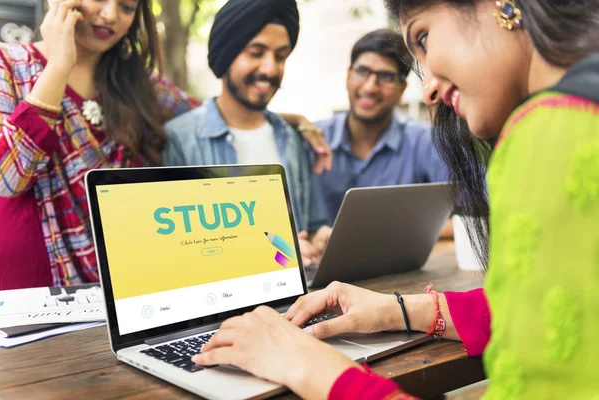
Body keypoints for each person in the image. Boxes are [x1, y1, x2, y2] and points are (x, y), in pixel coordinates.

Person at [190, 0, 599, 399]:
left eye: (423, 36)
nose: (430, 91)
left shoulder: (551, 132)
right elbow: (540, 312)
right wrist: (400, 310)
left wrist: (307, 365)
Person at [0, 0, 203, 290]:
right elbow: (7, 177)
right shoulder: (7, 65)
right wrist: (59, 66)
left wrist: (288, 121)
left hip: (123, 290)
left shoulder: (140, 85)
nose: (111, 15)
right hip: (27, 295)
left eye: (127, 7)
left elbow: (211, 119)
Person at [163, 0, 328, 263]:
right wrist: (280, 254)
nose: (270, 68)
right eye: (256, 52)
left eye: (281, 56)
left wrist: (322, 236)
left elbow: (313, 222)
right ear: (227, 55)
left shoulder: (292, 137)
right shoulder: (179, 139)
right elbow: (177, 249)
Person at [315, 29, 448, 226]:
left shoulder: (425, 141)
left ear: (402, 89)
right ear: (348, 75)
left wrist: (393, 231)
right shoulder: (313, 139)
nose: (370, 87)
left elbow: (473, 212)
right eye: (362, 71)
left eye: (385, 76)